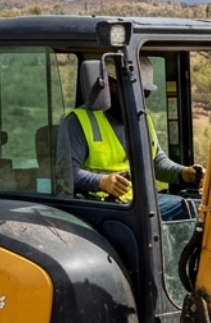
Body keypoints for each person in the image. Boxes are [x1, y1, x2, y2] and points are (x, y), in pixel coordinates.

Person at [66, 58, 201, 221]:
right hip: (100, 206)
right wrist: (102, 182)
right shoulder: (80, 121)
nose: (142, 100)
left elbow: (156, 162)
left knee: (196, 207)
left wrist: (184, 173)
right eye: (139, 93)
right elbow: (67, 173)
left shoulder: (142, 119)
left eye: (145, 94)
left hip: (139, 202)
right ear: (112, 86)